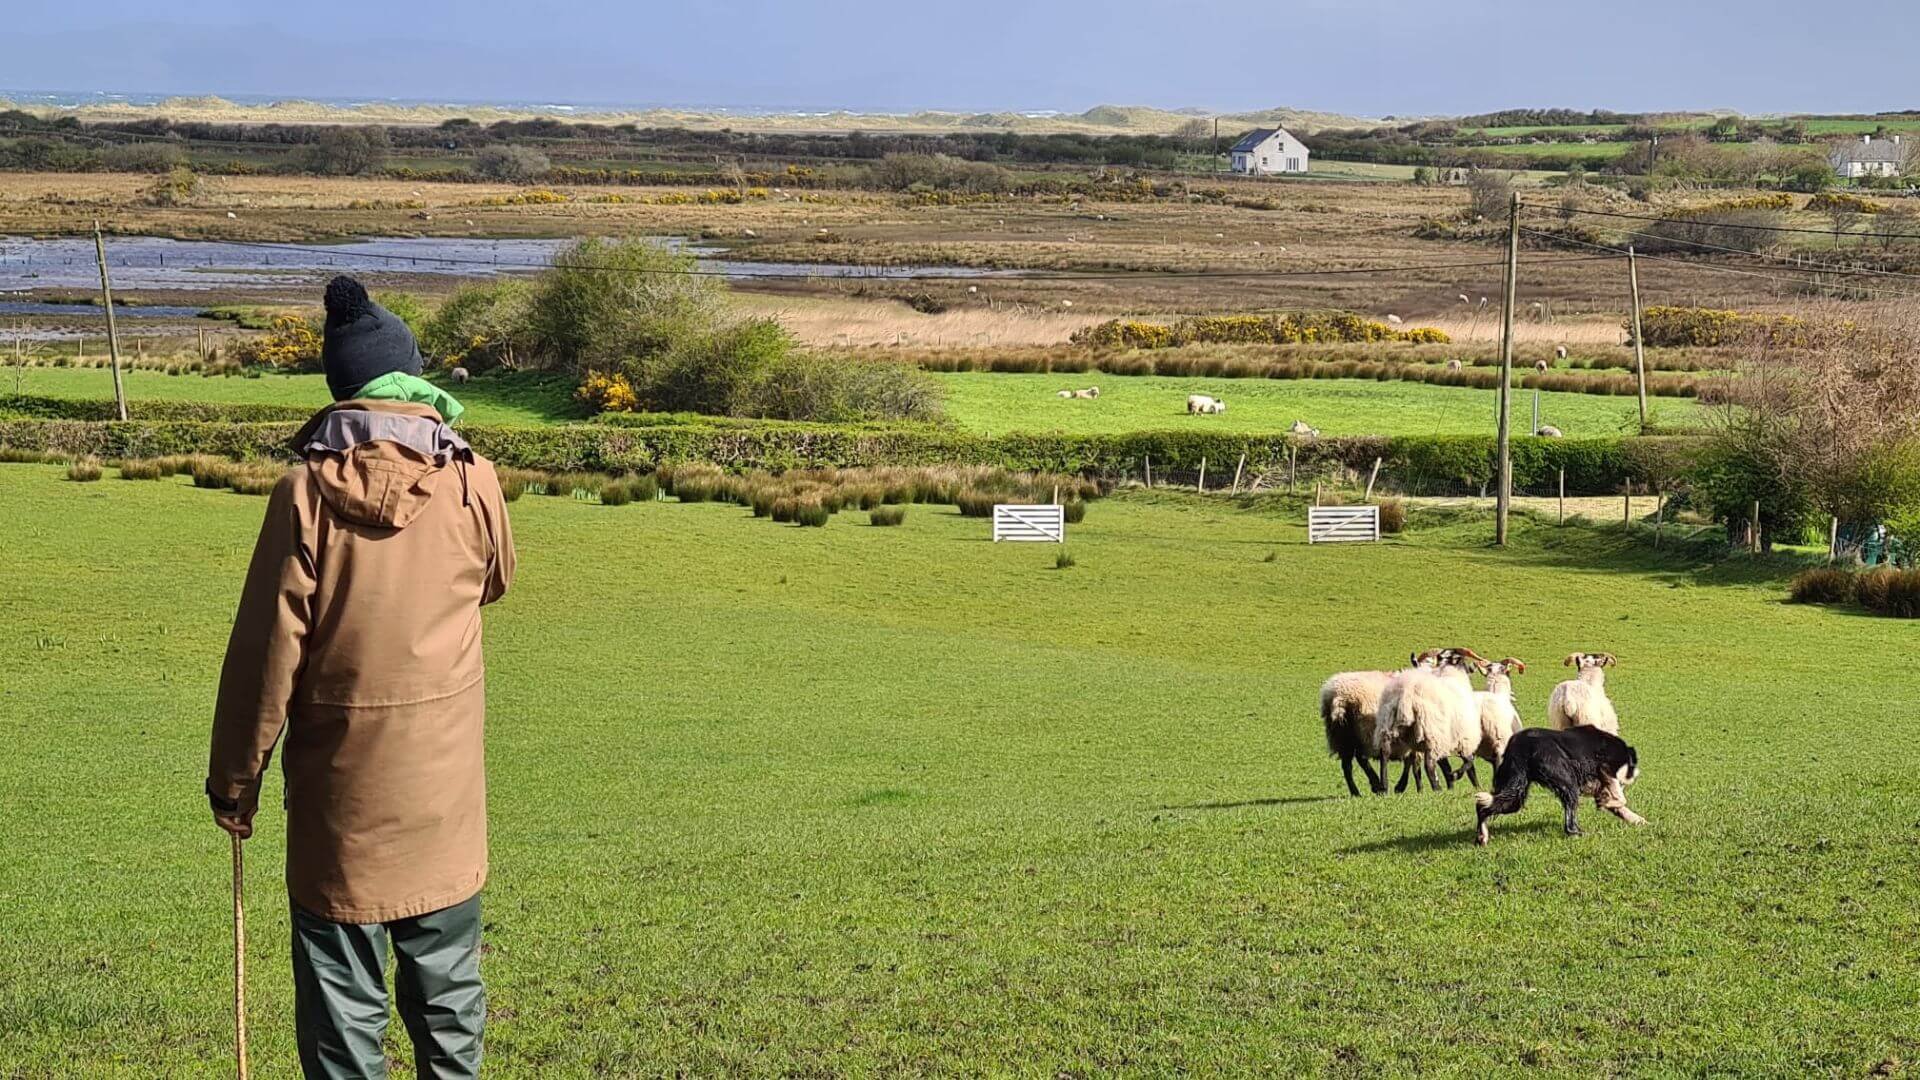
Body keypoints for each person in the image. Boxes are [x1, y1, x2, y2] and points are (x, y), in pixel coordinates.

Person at [207, 276, 515, 1079]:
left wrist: (235, 783)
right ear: (410, 376)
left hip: (339, 815)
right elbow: (495, 580)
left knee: (345, 1033)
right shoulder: (473, 478)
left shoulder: (303, 491)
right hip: (443, 806)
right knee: (450, 1017)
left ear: (341, 389)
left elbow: (264, 655)